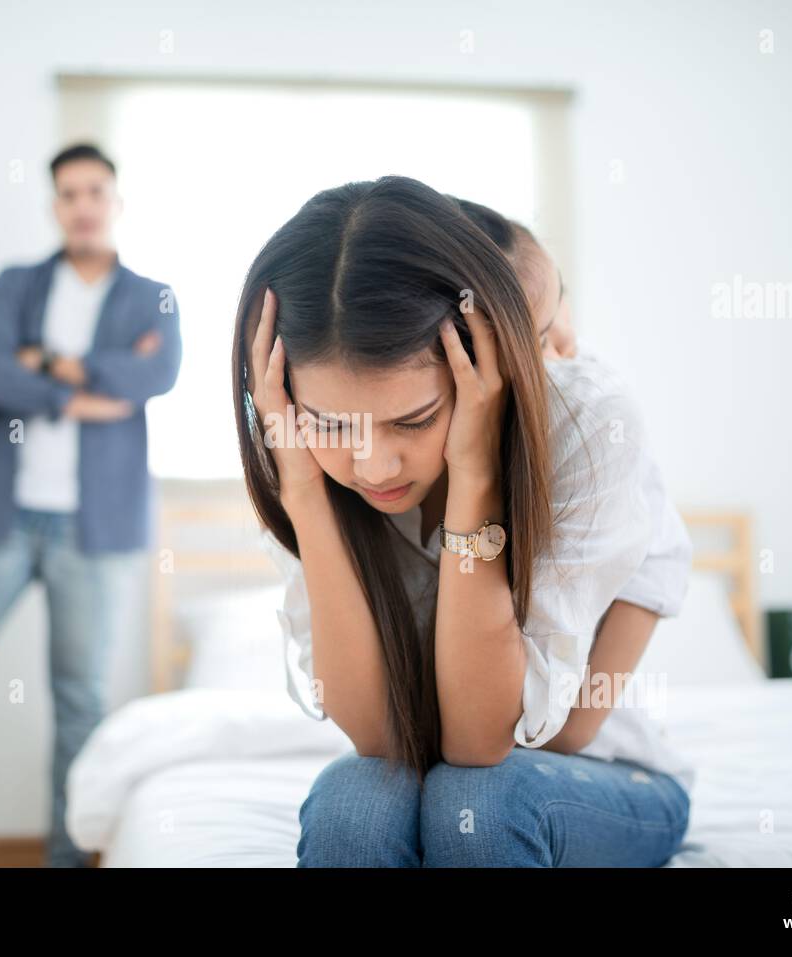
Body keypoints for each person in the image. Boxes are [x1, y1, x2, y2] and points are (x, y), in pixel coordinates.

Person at [234, 175, 694, 866]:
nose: (376, 466)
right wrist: (301, 489)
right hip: (434, 775)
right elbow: (380, 738)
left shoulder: (587, 423)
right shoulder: (297, 450)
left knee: (475, 800)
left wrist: (474, 476)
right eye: (332, 423)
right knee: (353, 802)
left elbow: (485, 742)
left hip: (600, 774)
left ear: (486, 366)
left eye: (413, 419)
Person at [0, 143, 182, 867]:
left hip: (95, 530)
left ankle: (65, 857)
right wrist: (81, 398)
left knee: (80, 702)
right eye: (68, 193)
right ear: (54, 205)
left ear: (116, 201)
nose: (82, 204)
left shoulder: (153, 296)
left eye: (95, 191)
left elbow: (158, 372)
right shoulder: (15, 284)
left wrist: (49, 363)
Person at [453, 197, 694, 760]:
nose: (569, 342)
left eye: (563, 302)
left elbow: (572, 731)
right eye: (539, 340)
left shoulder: (591, 417)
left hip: (586, 749)